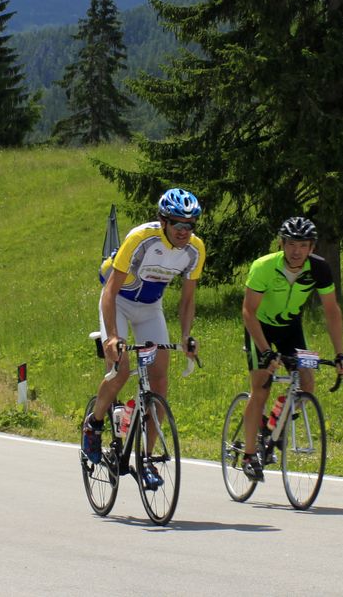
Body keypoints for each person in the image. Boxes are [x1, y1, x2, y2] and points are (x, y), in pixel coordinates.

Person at [82, 188, 206, 490]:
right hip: (119, 302)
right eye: (178, 224)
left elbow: (188, 300)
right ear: (163, 221)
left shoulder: (195, 250)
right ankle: (94, 425)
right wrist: (112, 338)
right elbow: (110, 291)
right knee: (121, 370)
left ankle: (147, 459)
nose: (184, 232)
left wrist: (186, 336)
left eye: (190, 226)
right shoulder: (140, 238)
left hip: (150, 308)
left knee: (160, 382)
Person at [240, 216, 343, 481]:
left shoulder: (319, 269)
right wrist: (266, 350)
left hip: (291, 327)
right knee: (261, 387)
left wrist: (339, 353)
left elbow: (332, 312)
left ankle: (274, 426)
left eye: (303, 245)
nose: (296, 251)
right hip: (260, 327)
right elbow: (248, 312)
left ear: (312, 247)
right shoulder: (264, 267)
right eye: (291, 244)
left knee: (308, 382)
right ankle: (249, 455)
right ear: (282, 243)